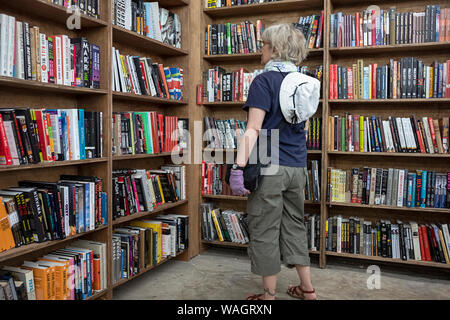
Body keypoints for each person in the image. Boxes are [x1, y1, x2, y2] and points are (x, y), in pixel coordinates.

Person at [228, 23, 319, 300]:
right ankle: (308, 290)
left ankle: (268, 297)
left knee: (266, 228)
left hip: (269, 167)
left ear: (275, 49)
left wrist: (237, 168)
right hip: (296, 167)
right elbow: (300, 128)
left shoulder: (263, 81)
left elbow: (253, 129)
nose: (261, 49)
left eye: (264, 45)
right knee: (294, 225)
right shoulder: (303, 82)